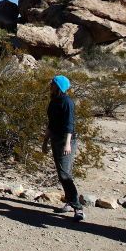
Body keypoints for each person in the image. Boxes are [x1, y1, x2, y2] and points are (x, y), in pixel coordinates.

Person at [42, 75, 85, 222]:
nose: (50, 84)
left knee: (64, 174)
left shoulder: (67, 102)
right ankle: (69, 201)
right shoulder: (54, 101)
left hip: (67, 141)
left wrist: (67, 143)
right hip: (55, 139)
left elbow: (69, 124)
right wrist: (45, 140)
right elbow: (51, 123)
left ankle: (78, 208)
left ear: (59, 86)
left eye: (53, 83)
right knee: (63, 173)